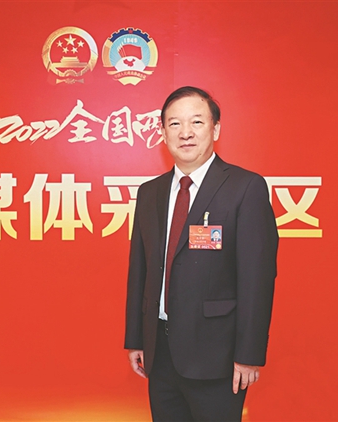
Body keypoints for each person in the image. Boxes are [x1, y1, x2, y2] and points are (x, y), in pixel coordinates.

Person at [124, 86, 278, 421]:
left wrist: (249, 354)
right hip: (160, 353)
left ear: (215, 129)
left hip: (217, 356)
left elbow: (257, 278)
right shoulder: (149, 193)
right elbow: (140, 270)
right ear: (163, 132)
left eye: (196, 122)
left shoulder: (244, 188)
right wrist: (136, 338)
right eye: (175, 124)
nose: (186, 133)